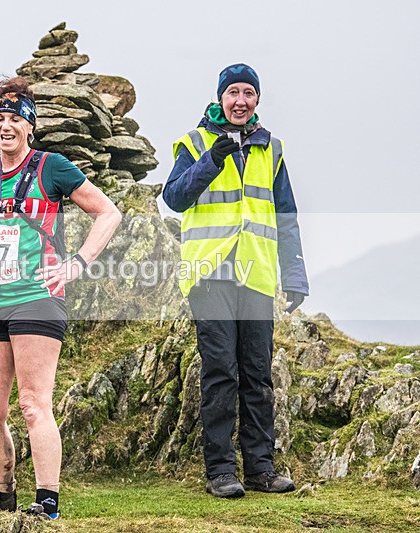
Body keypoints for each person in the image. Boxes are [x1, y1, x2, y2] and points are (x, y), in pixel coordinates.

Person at [0, 41, 121, 518]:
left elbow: (107, 212)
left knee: (35, 404)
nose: (5, 126)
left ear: (30, 126)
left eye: (15, 118)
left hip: (38, 297)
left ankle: (47, 505)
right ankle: (4, 504)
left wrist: (77, 262)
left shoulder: (50, 167)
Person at [163, 64, 309, 498]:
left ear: (257, 100)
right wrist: (214, 158)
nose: (240, 101)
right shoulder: (195, 143)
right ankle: (221, 471)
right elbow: (174, 198)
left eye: (248, 93)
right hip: (210, 274)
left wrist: (295, 274)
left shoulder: (273, 150)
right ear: (220, 99)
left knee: (258, 374)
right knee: (221, 372)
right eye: (233, 93)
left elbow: (286, 219)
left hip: (257, 275)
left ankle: (261, 469)